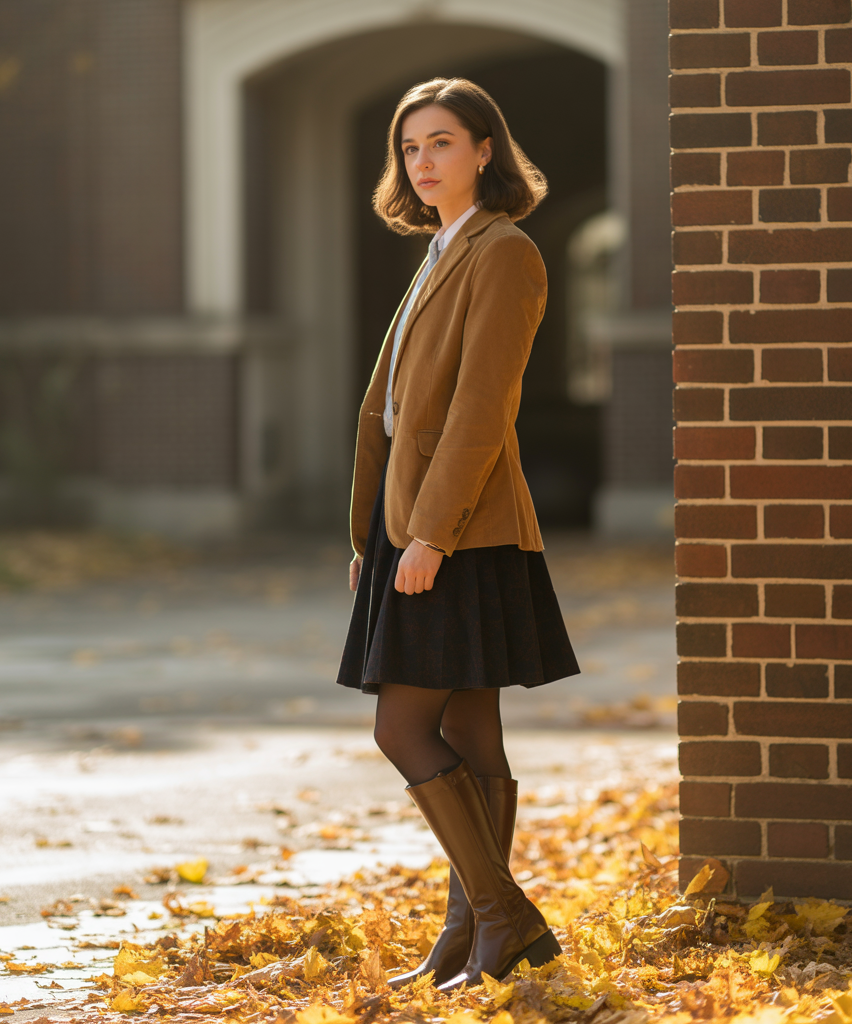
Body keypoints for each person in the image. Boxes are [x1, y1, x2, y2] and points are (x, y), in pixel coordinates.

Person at [336, 77, 580, 992]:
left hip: (462, 529)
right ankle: (468, 937)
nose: (424, 161)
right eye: (410, 147)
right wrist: (375, 531)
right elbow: (394, 410)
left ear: (486, 150)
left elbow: (483, 408)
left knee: (403, 726)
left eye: (443, 142)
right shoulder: (440, 250)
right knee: (472, 724)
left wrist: (429, 535)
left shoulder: (504, 251)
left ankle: (503, 915)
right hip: (412, 523)